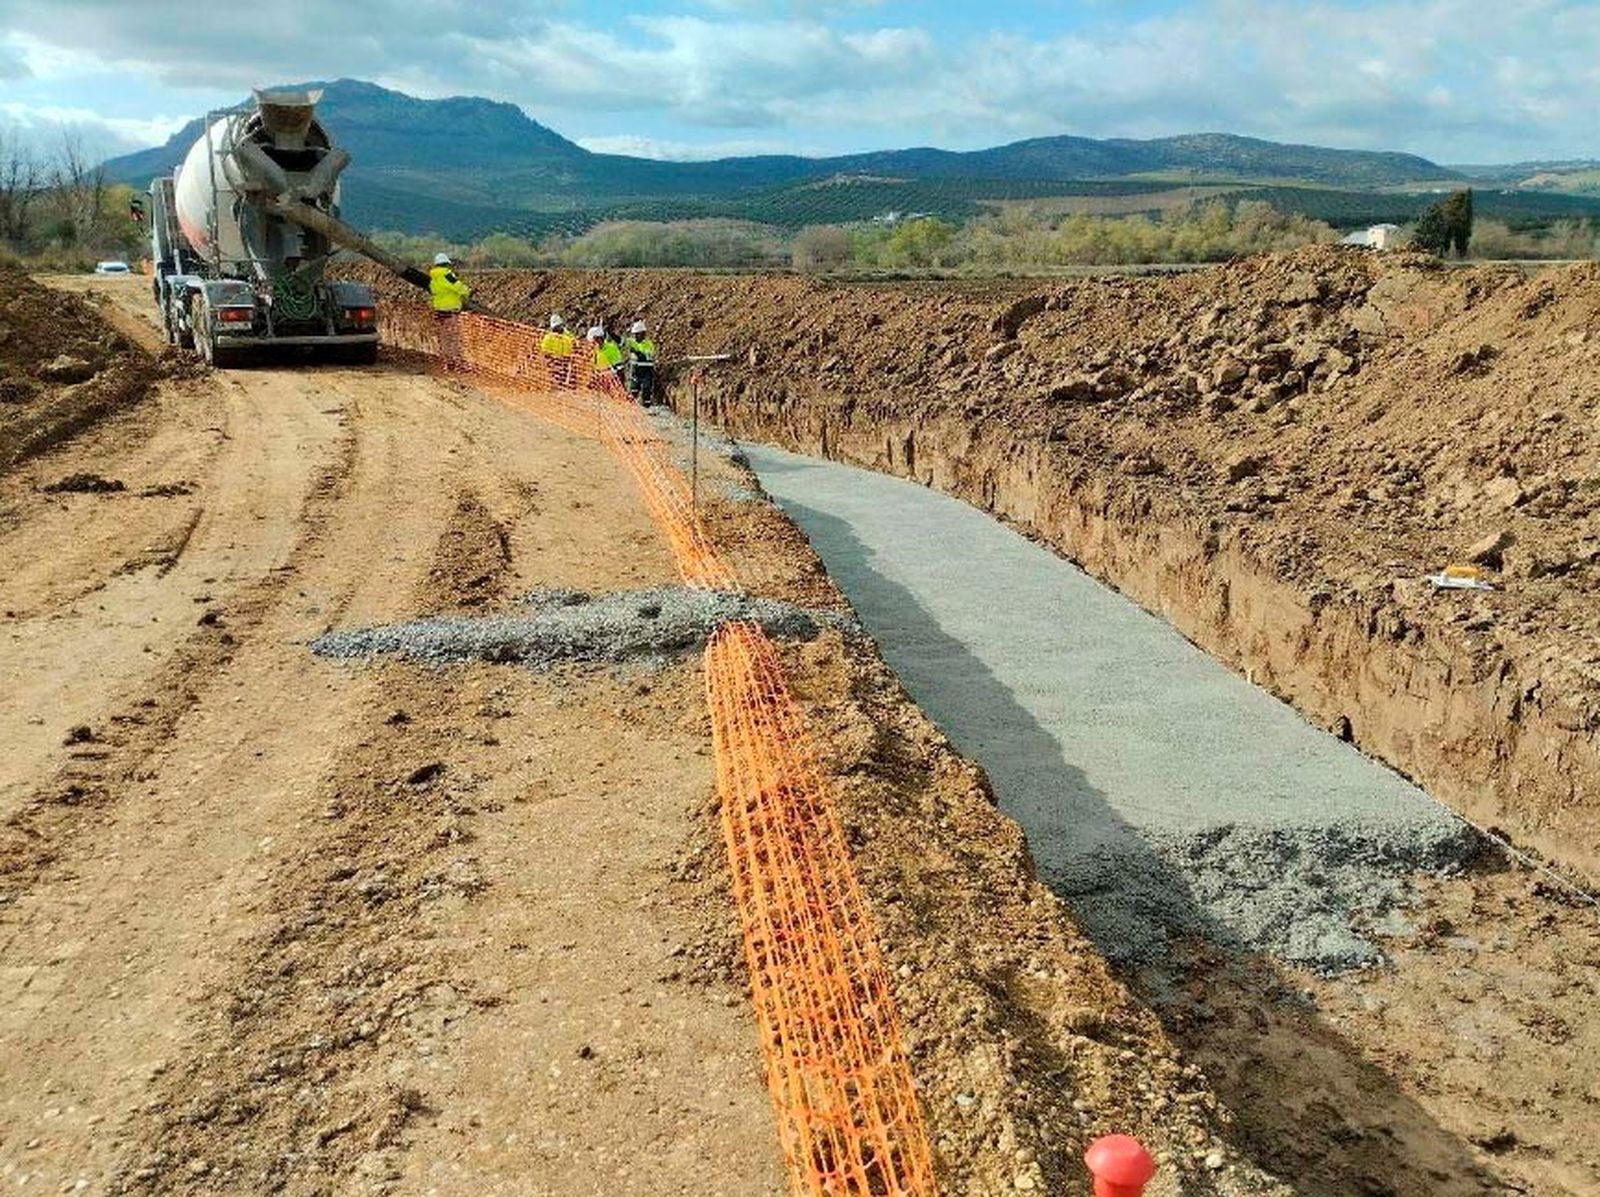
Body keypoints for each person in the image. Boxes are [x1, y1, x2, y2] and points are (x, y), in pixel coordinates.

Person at [428, 252, 470, 364]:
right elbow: (458, 286)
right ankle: (455, 361)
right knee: (454, 335)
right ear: (446, 263)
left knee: (444, 335)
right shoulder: (447, 274)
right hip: (451, 310)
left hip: (439, 309)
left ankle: (446, 359)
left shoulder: (433, 277)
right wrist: (467, 292)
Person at [623, 318, 656, 404]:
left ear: (643, 334)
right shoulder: (631, 342)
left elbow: (647, 357)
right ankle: (630, 408)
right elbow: (621, 341)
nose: (635, 336)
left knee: (646, 389)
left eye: (637, 334)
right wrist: (611, 334)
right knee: (633, 391)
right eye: (635, 334)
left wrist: (637, 353)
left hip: (646, 372)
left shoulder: (648, 344)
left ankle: (647, 407)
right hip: (635, 371)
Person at [540, 314, 576, 386]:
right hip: (555, 362)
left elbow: (575, 345)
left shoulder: (568, 335)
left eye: (558, 326)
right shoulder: (548, 338)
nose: (557, 329)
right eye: (555, 327)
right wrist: (551, 362)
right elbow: (545, 353)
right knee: (556, 380)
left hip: (566, 361)